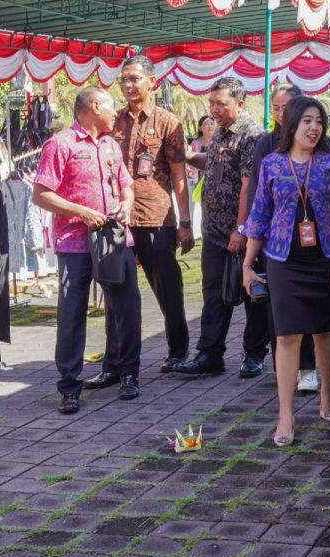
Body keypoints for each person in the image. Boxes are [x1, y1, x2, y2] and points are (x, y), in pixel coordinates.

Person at [242, 96, 330, 446]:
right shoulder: (273, 164)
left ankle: (327, 389)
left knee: (323, 330)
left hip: (324, 258)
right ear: (291, 125)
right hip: (282, 260)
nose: (313, 127)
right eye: (307, 120)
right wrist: (248, 264)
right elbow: (259, 214)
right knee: (287, 335)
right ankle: (286, 413)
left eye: (319, 121)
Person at [32, 87, 141, 413]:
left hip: (115, 238)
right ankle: (69, 387)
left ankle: (129, 375)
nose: (116, 113)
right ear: (94, 107)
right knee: (72, 314)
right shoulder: (60, 145)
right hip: (75, 244)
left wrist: (126, 203)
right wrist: (81, 212)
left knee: (127, 307)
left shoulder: (110, 145)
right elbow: (40, 195)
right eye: (111, 107)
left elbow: (127, 184)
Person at [178, 77, 267, 378]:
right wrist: (190, 156)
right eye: (212, 102)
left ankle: (254, 355)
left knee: (253, 293)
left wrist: (240, 229)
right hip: (214, 231)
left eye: (221, 103)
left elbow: (247, 186)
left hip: (243, 232)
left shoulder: (251, 136)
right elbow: (216, 163)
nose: (214, 109)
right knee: (214, 292)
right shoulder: (219, 132)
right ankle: (210, 354)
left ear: (240, 104)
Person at [111, 54, 193, 375]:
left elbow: (179, 175)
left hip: (157, 217)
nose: (128, 85)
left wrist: (185, 222)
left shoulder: (168, 122)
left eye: (134, 78)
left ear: (152, 82)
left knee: (167, 287)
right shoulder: (113, 121)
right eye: (124, 79)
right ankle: (118, 359)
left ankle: (177, 350)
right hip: (120, 217)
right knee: (119, 289)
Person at [249, 84, 316, 385]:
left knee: (313, 308)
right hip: (276, 243)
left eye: (285, 107)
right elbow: (258, 196)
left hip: (314, 242)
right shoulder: (267, 144)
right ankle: (284, 371)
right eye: (275, 108)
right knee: (281, 311)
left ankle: (309, 368)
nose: (280, 114)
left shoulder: (318, 146)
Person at [188, 114, 214, 239]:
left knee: (207, 208)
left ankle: (206, 232)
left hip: (211, 179)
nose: (209, 126)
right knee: (193, 206)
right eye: (206, 124)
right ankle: (192, 231)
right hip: (197, 178)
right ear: (200, 127)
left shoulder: (217, 140)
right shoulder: (195, 143)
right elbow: (191, 161)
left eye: (211, 123)